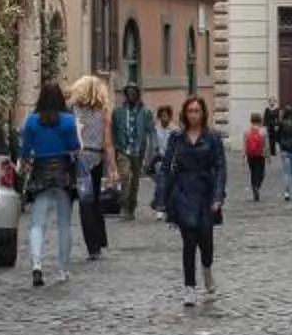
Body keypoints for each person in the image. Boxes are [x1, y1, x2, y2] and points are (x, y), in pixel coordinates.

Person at [156, 93, 227, 308]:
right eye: (190, 111)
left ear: (203, 113)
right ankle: (189, 287)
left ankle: (206, 269)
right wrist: (161, 198)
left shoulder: (213, 138)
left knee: (206, 241)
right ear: (185, 114)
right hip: (184, 192)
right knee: (188, 242)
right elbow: (167, 167)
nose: (194, 114)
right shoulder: (177, 137)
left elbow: (220, 168)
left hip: (206, 192)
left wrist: (218, 196)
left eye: (197, 110)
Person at [16, 80, 81, 288]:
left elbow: (25, 151)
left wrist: (27, 162)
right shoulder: (69, 121)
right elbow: (75, 147)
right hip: (63, 172)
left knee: (37, 222)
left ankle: (36, 264)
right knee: (64, 223)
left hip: (41, 171)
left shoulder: (32, 121)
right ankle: (63, 268)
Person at [68, 74, 114, 261]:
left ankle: (93, 246)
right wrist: (112, 167)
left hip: (78, 157)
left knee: (85, 203)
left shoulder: (72, 109)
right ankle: (99, 241)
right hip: (96, 157)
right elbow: (108, 142)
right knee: (94, 201)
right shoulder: (103, 111)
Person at [114, 86, 150, 218]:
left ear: (137, 95)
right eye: (128, 94)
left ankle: (131, 206)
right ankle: (124, 204)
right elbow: (113, 131)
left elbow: (150, 131)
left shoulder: (145, 112)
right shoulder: (118, 112)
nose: (131, 96)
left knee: (135, 180)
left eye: (133, 93)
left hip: (138, 150)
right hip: (123, 149)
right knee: (125, 176)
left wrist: (152, 152)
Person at [243, 114, 268, 203]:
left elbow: (245, 144)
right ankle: (257, 186)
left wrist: (244, 154)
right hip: (260, 155)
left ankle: (254, 187)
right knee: (261, 173)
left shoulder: (247, 131)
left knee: (253, 172)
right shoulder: (263, 131)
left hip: (250, 155)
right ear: (260, 120)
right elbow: (266, 144)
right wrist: (268, 155)